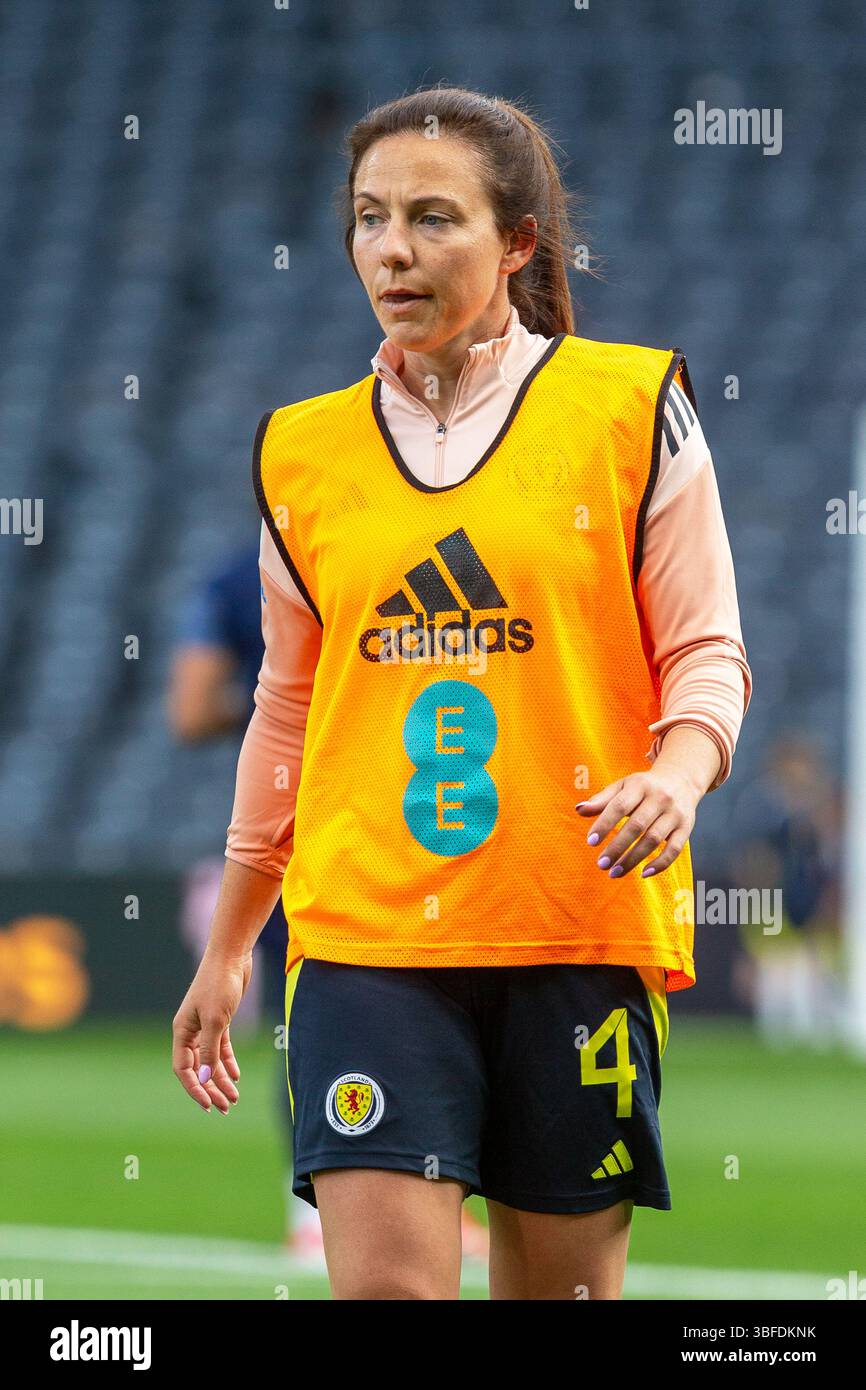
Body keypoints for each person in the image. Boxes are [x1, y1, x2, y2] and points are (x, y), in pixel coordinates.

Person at [172, 86, 752, 1300]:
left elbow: (705, 650)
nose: (393, 248)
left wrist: (679, 769)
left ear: (518, 244)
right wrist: (230, 949)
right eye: (370, 218)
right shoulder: (301, 450)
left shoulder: (630, 407)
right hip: (364, 935)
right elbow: (286, 711)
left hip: (573, 923)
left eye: (433, 218)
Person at [167, 539, 325, 1261]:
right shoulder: (394, 538)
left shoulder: (237, 577)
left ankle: (317, 1213)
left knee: (311, 1025)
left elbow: (193, 707)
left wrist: (273, 701)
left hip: (292, 827)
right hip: (414, 817)